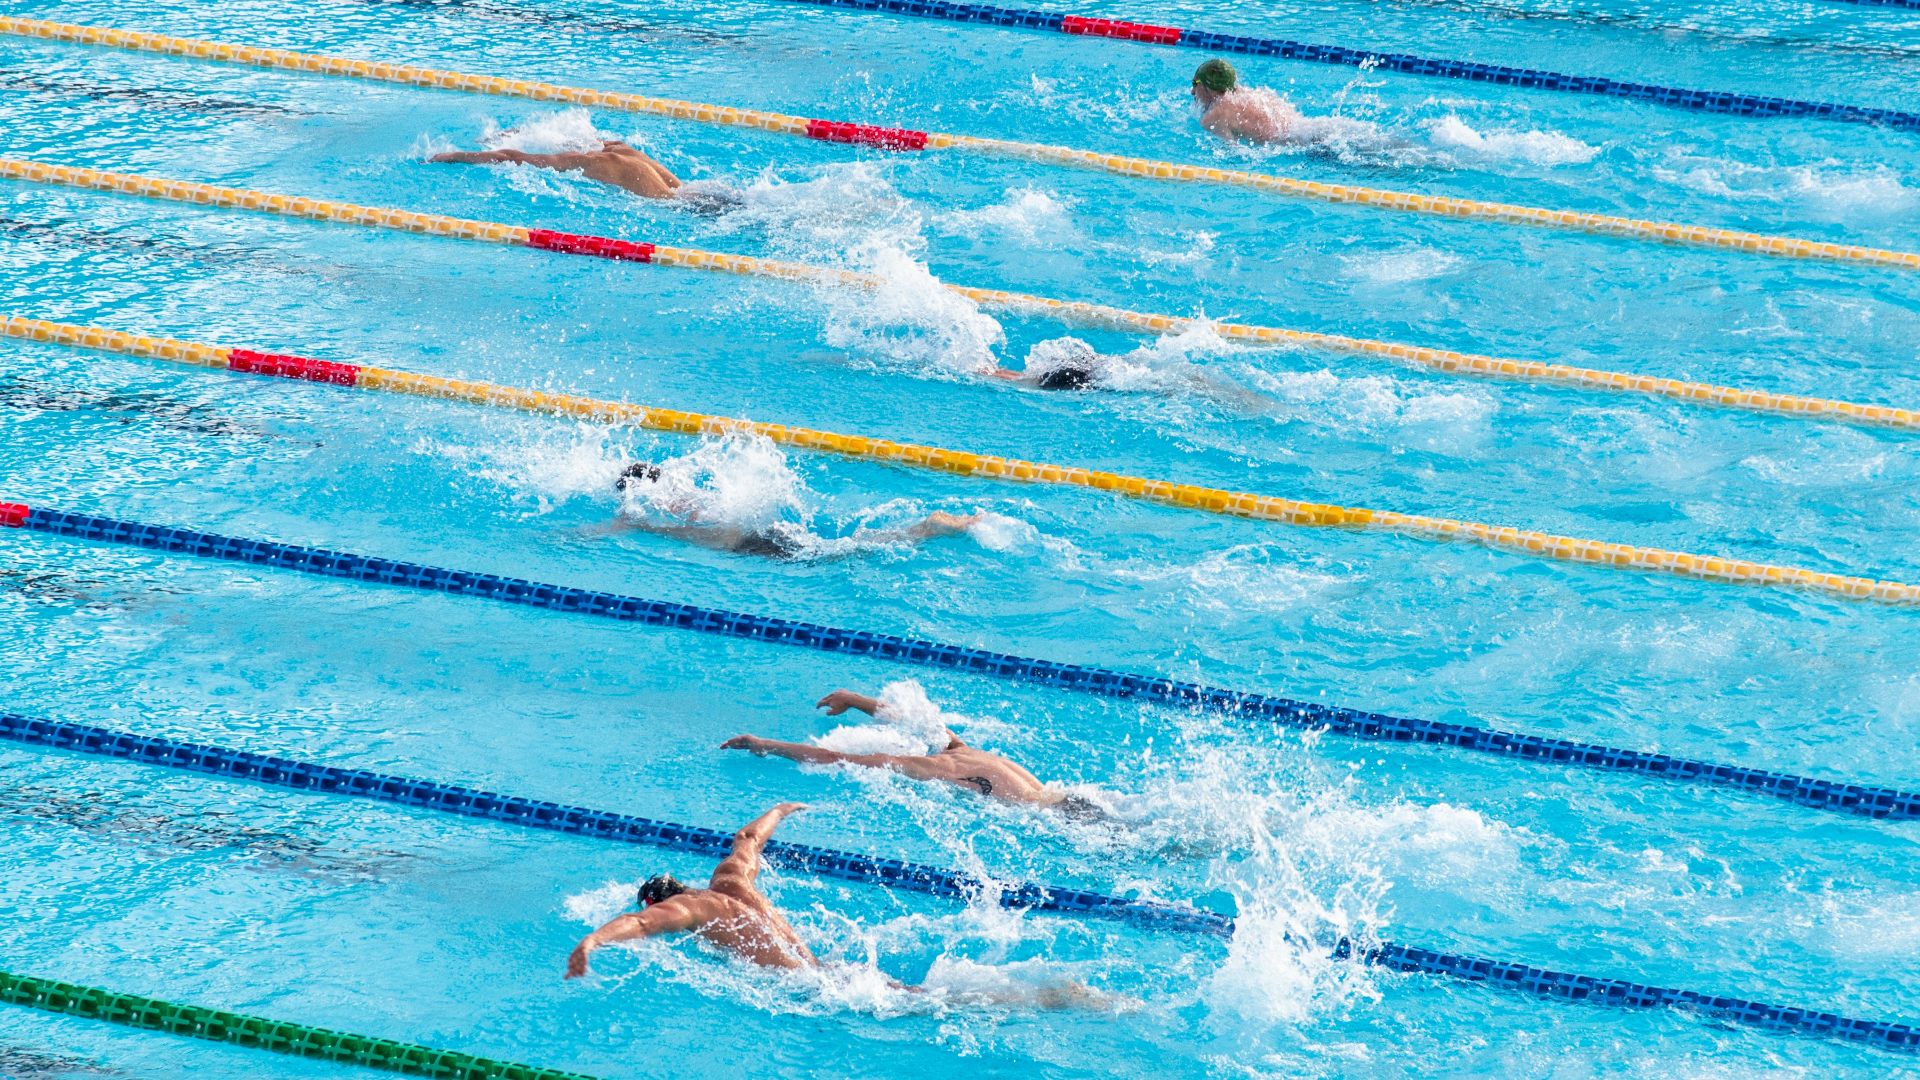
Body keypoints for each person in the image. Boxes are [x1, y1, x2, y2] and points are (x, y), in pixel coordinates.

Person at [722, 689, 1108, 822]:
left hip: (1057, 821)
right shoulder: (963, 748)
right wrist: (855, 700)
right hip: (1071, 801)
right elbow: (916, 719)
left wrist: (766, 744)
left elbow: (832, 758)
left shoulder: (926, 766)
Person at [567, 802, 818, 977]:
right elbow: (748, 838)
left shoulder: (688, 908)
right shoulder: (730, 877)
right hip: (824, 970)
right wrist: (779, 810)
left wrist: (593, 940)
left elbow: (642, 924)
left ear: (658, 905)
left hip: (801, 989)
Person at [611, 462, 981, 560]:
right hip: (763, 533)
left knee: (848, 551)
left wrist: (633, 525)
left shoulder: (674, 511)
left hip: (751, 543)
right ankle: (923, 528)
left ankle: (927, 528)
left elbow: (685, 532)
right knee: (845, 545)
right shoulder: (692, 494)